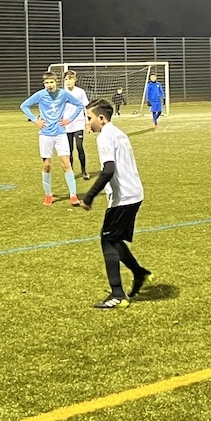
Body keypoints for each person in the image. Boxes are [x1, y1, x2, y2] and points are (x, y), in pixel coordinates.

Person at [75, 98, 151, 309]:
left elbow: (108, 169)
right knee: (113, 238)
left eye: (89, 118)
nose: (87, 122)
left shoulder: (105, 137)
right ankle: (139, 273)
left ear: (101, 118)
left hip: (123, 197)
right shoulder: (118, 132)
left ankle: (117, 294)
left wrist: (89, 196)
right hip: (134, 193)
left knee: (108, 239)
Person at [20, 72, 87, 205]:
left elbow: (79, 105)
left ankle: (73, 195)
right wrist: (35, 120)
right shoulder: (40, 95)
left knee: (66, 164)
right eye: (47, 83)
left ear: (56, 82)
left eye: (51, 82)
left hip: (60, 134)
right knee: (47, 165)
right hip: (45, 135)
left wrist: (69, 119)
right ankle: (48, 195)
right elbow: (24, 106)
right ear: (44, 84)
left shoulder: (63, 94)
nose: (49, 85)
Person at [63, 70, 91, 179]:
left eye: (70, 79)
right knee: (69, 150)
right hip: (66, 125)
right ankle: (70, 172)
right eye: (66, 79)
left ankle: (84, 171)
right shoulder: (62, 93)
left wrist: (87, 122)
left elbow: (85, 107)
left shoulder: (80, 92)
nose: (68, 81)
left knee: (79, 147)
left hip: (78, 123)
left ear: (75, 80)